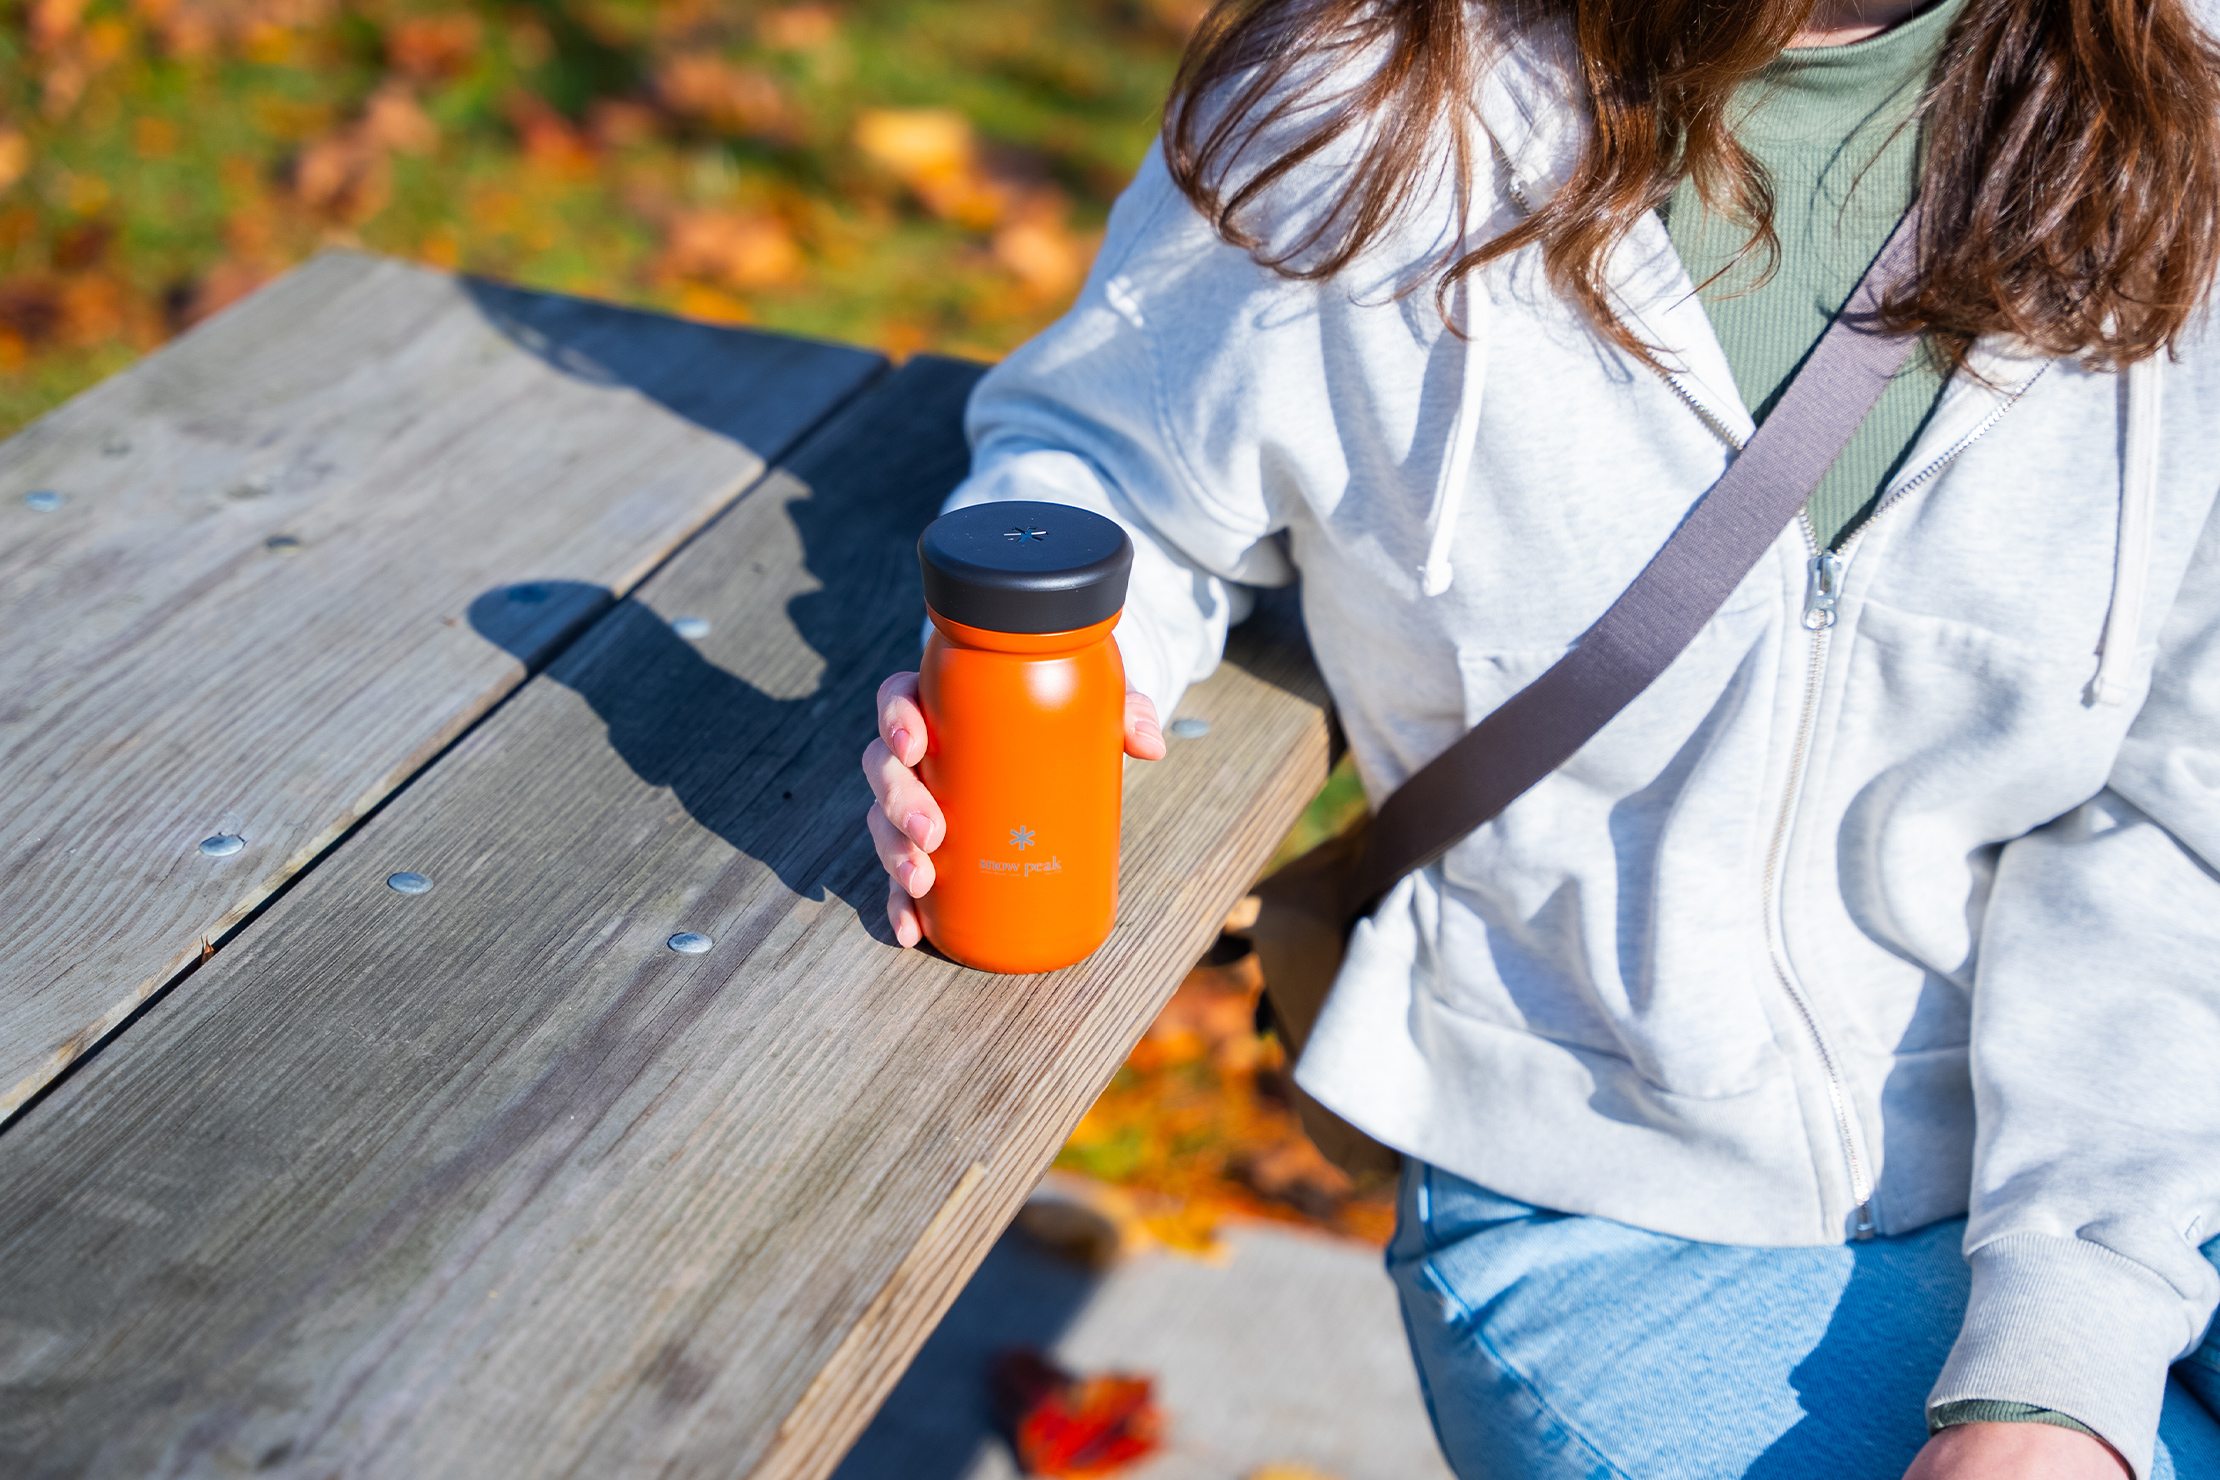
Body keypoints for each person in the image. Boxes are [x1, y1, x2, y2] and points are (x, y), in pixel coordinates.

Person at [861, 0, 2220, 1472]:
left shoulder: (2183, 122)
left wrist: (2060, 1366)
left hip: (2143, 1131)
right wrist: (1062, 659)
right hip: (1612, 1179)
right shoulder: (1372, 99)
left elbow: (2178, 816)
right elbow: (1121, 461)